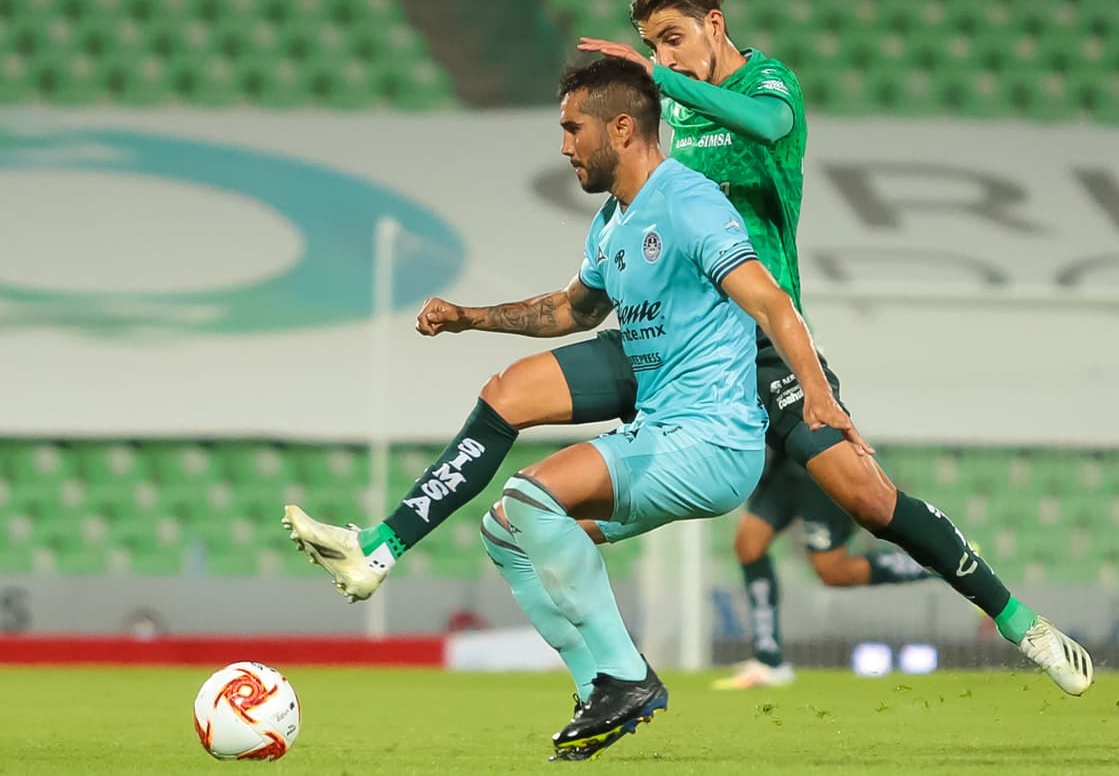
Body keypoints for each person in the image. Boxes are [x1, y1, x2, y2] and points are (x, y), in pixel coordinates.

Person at [282, 0, 1093, 698]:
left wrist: (658, 82)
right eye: (650, 45)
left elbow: (769, 130)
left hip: (760, 345)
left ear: (715, 22)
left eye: (673, 39)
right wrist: (473, 317)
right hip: (667, 335)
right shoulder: (663, 109)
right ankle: (381, 545)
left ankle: (1022, 622)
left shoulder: (769, 86)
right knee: (508, 396)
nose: (663, 58)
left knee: (871, 499)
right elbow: (594, 277)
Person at [292, 57, 854, 760]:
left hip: (712, 440)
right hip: (662, 435)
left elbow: (769, 299)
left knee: (531, 494)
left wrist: (818, 392)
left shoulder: (689, 199)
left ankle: (627, 675)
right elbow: (570, 308)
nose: (563, 145)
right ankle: (601, 694)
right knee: (505, 532)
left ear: (622, 128)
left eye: (572, 128)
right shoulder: (614, 222)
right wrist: (470, 317)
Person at [713, 452, 933, 690]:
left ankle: (934, 565)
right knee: (748, 546)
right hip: (784, 471)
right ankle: (769, 661)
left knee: (832, 571)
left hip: (820, 467)